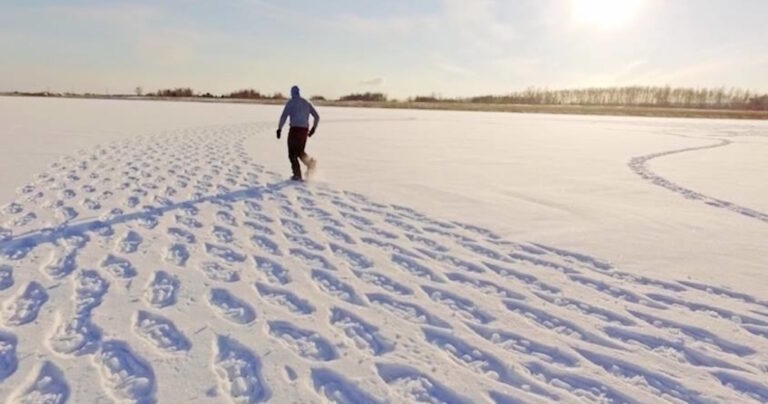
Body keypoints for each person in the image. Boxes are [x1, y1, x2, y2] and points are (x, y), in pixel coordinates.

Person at [276, 85, 319, 181]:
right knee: (300, 152)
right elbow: (317, 116)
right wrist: (313, 128)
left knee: (292, 154)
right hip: (304, 131)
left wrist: (279, 129)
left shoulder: (291, 103)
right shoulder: (306, 103)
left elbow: (283, 117)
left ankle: (297, 175)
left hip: (294, 130)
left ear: (292, 93)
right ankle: (310, 164)